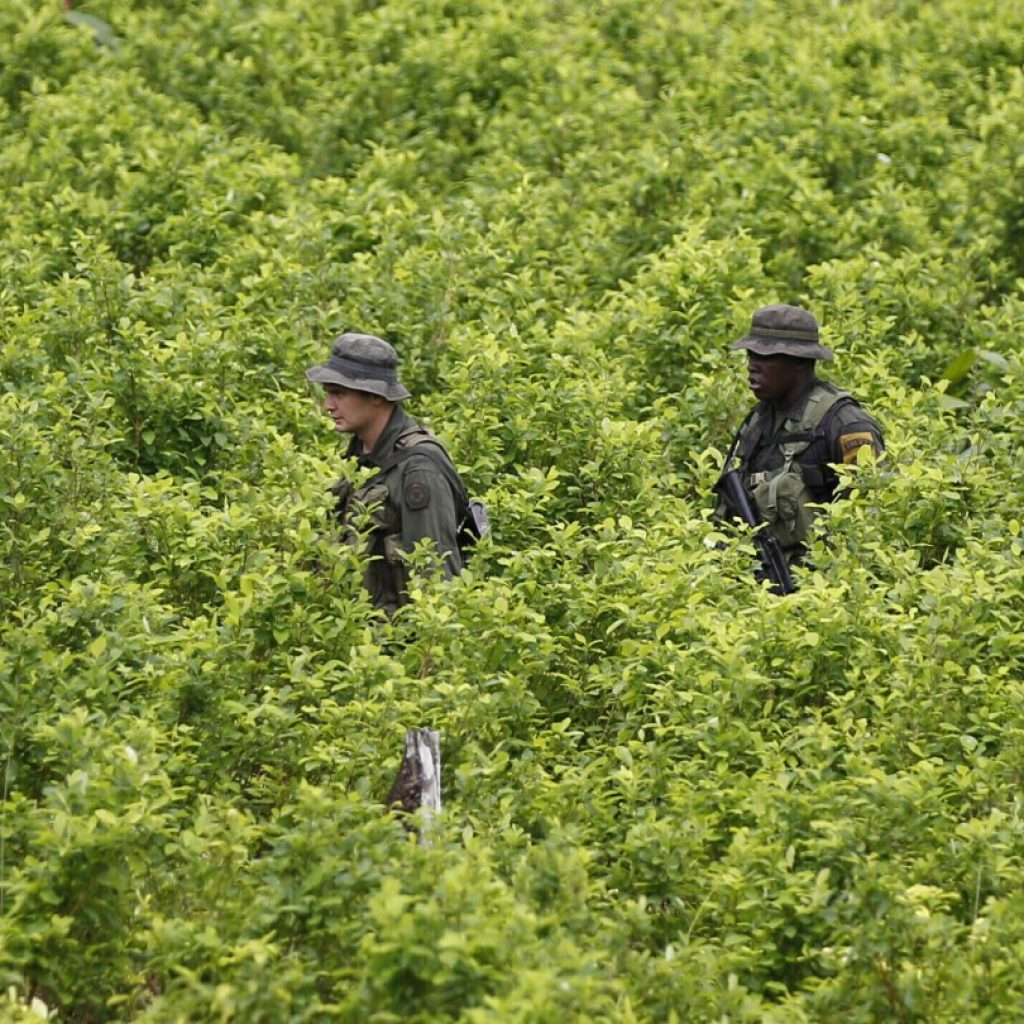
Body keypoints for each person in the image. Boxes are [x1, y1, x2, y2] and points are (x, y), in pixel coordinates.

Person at [716, 303, 884, 570]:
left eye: (765, 357)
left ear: (798, 361)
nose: (752, 367)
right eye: (750, 356)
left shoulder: (845, 424)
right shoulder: (759, 421)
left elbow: (870, 518)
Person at [307, 331, 463, 615]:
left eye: (339, 394)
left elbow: (437, 580)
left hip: (397, 646)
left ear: (376, 396)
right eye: (328, 393)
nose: (328, 406)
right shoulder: (361, 455)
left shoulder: (418, 468)